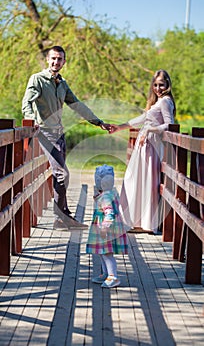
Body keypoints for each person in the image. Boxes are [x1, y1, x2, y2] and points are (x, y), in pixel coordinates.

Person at [22, 45, 111, 230]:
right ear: (48, 59)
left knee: (60, 175)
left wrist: (98, 121)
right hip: (44, 133)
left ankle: (63, 216)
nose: (56, 62)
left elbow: (77, 105)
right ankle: (62, 217)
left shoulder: (62, 84)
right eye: (53, 58)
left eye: (60, 59)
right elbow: (26, 103)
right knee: (62, 174)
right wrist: (31, 121)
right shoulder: (37, 79)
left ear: (64, 61)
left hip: (59, 133)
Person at [110, 69, 176, 234]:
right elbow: (142, 119)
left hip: (151, 146)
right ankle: (137, 221)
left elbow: (170, 124)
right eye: (155, 84)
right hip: (144, 145)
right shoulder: (157, 101)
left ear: (168, 85)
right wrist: (120, 127)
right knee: (135, 180)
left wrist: (150, 130)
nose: (158, 88)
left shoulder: (166, 101)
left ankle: (147, 223)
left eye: (161, 84)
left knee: (146, 181)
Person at [86, 164, 128, 288]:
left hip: (106, 229)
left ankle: (113, 276)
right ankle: (106, 274)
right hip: (108, 226)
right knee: (101, 252)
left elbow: (109, 214)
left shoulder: (105, 197)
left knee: (106, 252)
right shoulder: (111, 193)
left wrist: (104, 228)